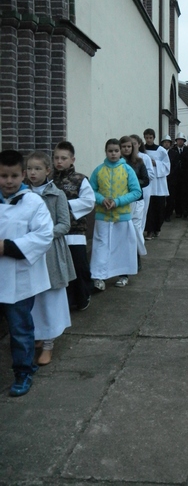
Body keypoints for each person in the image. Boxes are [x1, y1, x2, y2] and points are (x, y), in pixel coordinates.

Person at [0, 149, 53, 396]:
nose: (8, 181)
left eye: (14, 176)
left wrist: (7, 247)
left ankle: (23, 371)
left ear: (23, 175)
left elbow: (44, 236)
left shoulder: (33, 202)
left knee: (20, 329)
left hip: (19, 279)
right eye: (3, 176)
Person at [26, 151, 75, 366]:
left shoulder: (57, 194)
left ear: (47, 171)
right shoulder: (23, 194)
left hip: (50, 253)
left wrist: (42, 235)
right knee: (33, 298)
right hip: (28, 253)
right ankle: (37, 335)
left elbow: (64, 224)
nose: (32, 173)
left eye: (37, 169)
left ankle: (49, 343)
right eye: (29, 168)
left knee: (49, 298)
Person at [90, 139, 142, 290]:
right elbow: (90, 191)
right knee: (101, 246)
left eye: (116, 151)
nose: (113, 154)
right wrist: (101, 199)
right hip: (103, 216)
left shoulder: (127, 170)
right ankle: (99, 276)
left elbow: (136, 192)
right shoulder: (99, 170)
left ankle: (123, 275)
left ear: (120, 152)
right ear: (105, 152)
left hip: (122, 216)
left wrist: (118, 201)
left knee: (122, 246)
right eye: (110, 151)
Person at [53, 141, 95, 312]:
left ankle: (83, 296)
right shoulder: (49, 180)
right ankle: (67, 299)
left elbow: (89, 201)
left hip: (75, 231)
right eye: (56, 158)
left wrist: (65, 206)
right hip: (56, 232)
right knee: (61, 267)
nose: (59, 161)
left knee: (79, 266)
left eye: (63, 158)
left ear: (72, 160)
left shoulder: (80, 179)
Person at [119, 136, 150, 267]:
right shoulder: (117, 163)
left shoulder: (139, 162)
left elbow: (146, 180)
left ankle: (137, 257)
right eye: (124, 147)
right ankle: (123, 258)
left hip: (137, 200)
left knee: (135, 230)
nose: (126, 149)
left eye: (129, 146)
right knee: (123, 231)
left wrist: (133, 184)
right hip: (122, 201)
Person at [143, 128, 170, 238]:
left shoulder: (161, 150)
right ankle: (149, 230)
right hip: (148, 182)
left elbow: (167, 165)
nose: (148, 140)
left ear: (154, 138)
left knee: (159, 207)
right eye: (146, 138)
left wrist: (156, 163)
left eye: (150, 137)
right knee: (149, 208)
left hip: (158, 183)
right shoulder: (142, 150)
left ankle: (157, 228)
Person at [166, 132, 188, 219]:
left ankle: (185, 210)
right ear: (176, 141)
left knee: (184, 194)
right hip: (175, 177)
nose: (180, 141)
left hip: (185, 176)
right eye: (179, 140)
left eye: (182, 140)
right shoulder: (173, 150)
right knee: (176, 195)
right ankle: (178, 211)